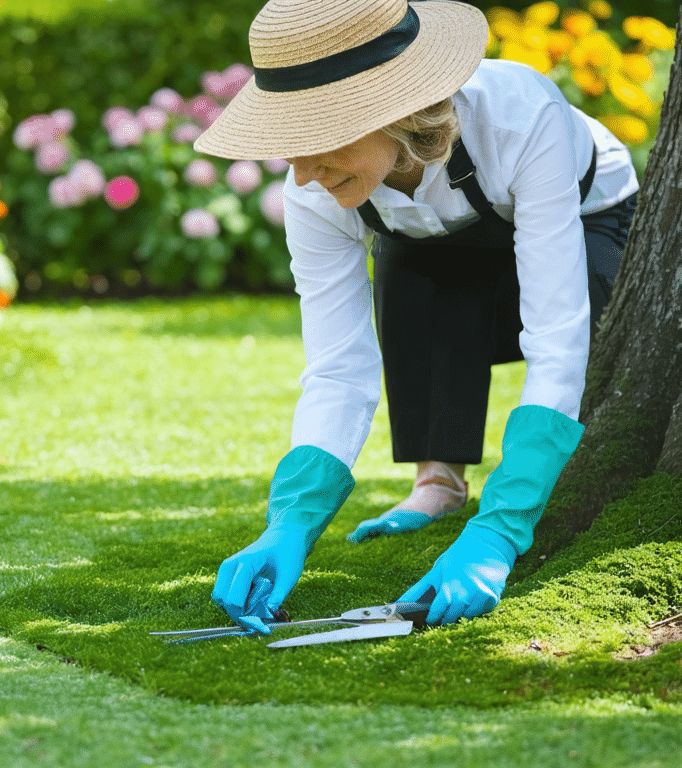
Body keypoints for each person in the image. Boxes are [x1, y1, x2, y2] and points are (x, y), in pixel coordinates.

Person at [194, 0, 639, 629]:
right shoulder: (313, 189)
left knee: (587, 310)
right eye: (289, 145)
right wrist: (290, 520)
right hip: (438, 240)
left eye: (317, 140)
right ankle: (439, 483)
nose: (304, 174)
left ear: (398, 113)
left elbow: (557, 338)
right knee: (407, 271)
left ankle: (522, 490)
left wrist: (502, 528)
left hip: (588, 221)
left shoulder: (521, 118)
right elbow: (339, 367)